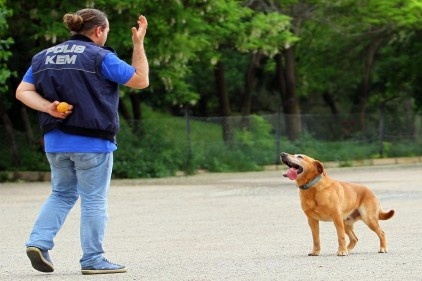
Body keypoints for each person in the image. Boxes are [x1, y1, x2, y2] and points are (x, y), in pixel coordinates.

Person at [15, 8, 149, 275]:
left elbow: (22, 91)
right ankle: (93, 259)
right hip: (92, 142)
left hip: (55, 141)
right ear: (99, 30)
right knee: (94, 200)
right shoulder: (100, 57)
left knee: (61, 194)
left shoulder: (43, 57)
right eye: (106, 31)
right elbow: (140, 80)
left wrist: (48, 107)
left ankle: (38, 243)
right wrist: (138, 44)